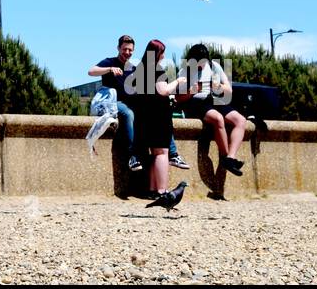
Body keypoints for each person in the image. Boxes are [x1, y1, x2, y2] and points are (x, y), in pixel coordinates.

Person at [88, 35, 189, 172]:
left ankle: (173, 154)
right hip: (115, 102)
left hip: (133, 100)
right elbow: (91, 71)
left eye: (130, 50)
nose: (127, 53)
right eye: (124, 49)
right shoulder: (109, 62)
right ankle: (133, 156)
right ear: (118, 48)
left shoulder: (134, 68)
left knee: (159, 114)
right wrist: (110, 69)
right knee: (128, 114)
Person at [181, 43, 248, 176]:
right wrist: (195, 89)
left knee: (240, 120)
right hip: (197, 101)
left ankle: (231, 157)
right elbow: (179, 98)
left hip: (215, 99)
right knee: (218, 119)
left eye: (203, 62)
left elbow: (229, 90)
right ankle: (224, 156)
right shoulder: (185, 70)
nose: (200, 66)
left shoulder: (214, 66)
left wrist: (217, 86)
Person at [129, 39, 177, 199]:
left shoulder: (140, 69)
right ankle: (162, 191)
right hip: (159, 116)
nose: (163, 56)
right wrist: (177, 82)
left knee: (154, 153)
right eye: (162, 52)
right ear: (157, 54)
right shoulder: (157, 70)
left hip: (144, 116)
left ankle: (152, 190)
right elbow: (163, 91)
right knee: (162, 153)